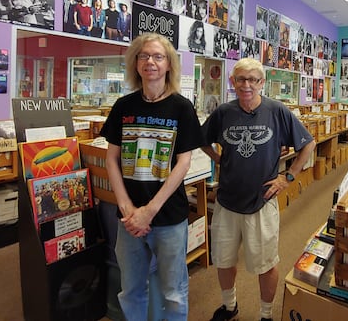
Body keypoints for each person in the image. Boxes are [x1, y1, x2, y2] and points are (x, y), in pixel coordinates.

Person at [201, 58, 316, 321]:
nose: (247, 85)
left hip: (262, 201)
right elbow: (202, 140)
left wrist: (287, 177)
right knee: (224, 259)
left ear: (262, 83)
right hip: (227, 200)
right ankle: (230, 307)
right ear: (232, 82)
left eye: (253, 79)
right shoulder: (223, 113)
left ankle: (265, 315)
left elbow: (307, 144)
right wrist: (219, 160)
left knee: (266, 263)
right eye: (241, 79)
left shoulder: (277, 111)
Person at [100, 33, 205, 321]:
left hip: (168, 217)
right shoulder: (124, 106)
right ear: (135, 63)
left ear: (169, 64)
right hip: (129, 217)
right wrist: (127, 208)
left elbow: (183, 162)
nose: (151, 62)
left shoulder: (182, 108)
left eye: (158, 56)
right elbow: (112, 158)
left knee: (173, 291)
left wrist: (149, 211)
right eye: (144, 56)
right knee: (130, 289)